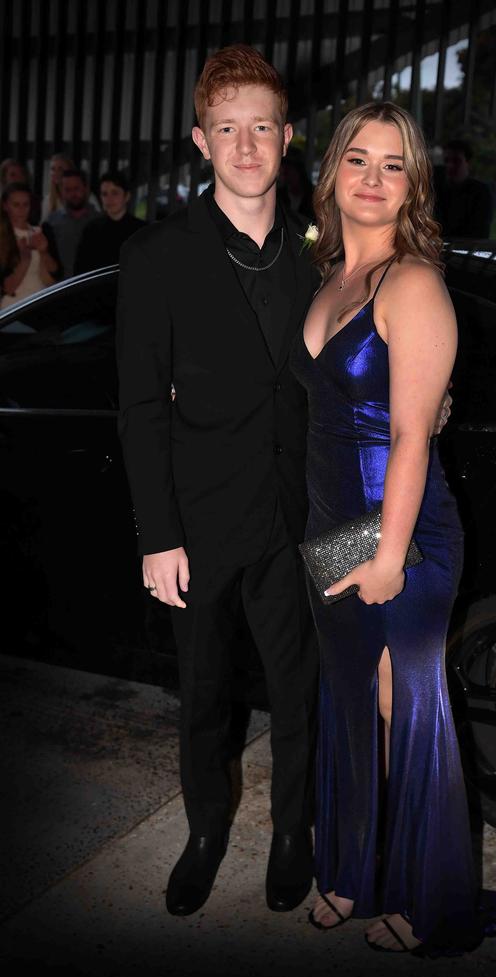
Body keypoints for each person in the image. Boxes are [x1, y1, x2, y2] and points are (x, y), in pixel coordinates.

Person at [291, 102, 496, 955]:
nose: (373, 177)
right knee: (349, 698)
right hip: (331, 524)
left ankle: (425, 898)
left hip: (404, 530)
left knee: (406, 698)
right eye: (359, 158)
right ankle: (352, 871)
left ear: (413, 184)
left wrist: (390, 554)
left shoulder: (413, 282)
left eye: (394, 164)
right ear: (332, 172)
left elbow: (409, 434)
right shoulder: (330, 280)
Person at [116, 44, 323, 919]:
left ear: (287, 139)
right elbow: (138, 408)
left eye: (262, 128)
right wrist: (156, 536)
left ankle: (293, 834)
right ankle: (206, 834)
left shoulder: (329, 244)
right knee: (202, 695)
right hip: (199, 526)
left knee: (305, 685)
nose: (246, 146)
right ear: (200, 140)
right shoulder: (157, 256)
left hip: (312, 519)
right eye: (228, 130)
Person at [0, 182, 60, 309]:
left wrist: (43, 252)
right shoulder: (3, 237)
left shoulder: (40, 232)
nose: (21, 210)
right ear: (5, 206)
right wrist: (25, 259)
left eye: (25, 204)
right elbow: (8, 288)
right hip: (12, 310)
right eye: (16, 205)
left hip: (39, 307)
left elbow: (52, 281)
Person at [74, 171, 145, 274]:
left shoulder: (141, 231)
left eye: (115, 193)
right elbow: (80, 269)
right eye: (104, 194)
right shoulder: (91, 230)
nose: (109, 199)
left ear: (127, 196)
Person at [435, 139, 493, 239]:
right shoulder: (436, 190)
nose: (450, 166)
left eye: (457, 161)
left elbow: (480, 233)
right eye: (446, 161)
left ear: (468, 163)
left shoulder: (480, 192)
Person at [47, 168, 99, 278]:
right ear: (61, 191)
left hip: (92, 285)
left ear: (85, 188)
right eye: (67, 190)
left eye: (76, 188)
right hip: (60, 287)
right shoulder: (52, 222)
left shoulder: (100, 220)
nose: (73, 194)